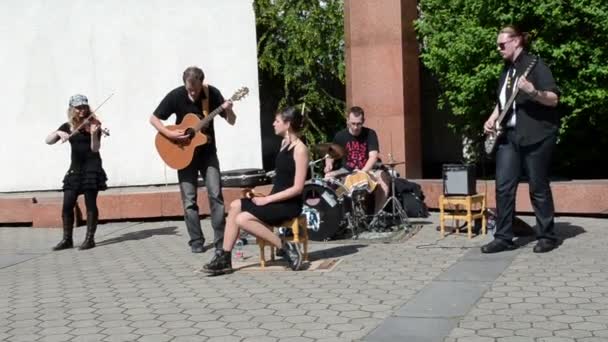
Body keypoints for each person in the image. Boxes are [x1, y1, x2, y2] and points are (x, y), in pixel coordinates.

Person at [481, 25, 560, 254]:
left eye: (502, 44)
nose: (498, 48)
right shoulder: (506, 71)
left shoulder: (536, 65)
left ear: (516, 42)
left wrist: (533, 91)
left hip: (537, 136)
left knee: (538, 186)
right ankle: (504, 237)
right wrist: (492, 119)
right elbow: (503, 103)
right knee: (504, 186)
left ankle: (547, 236)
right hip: (509, 136)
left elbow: (553, 99)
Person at [202, 106, 308, 275]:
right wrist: (266, 198)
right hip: (275, 199)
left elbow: (297, 188)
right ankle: (224, 258)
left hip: (288, 205)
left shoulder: (300, 149)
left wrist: (267, 200)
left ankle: (285, 246)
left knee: (242, 219)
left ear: (287, 124)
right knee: (235, 205)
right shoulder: (284, 143)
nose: (273, 124)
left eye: (277, 121)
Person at [150, 66, 236, 254]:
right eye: (189, 89)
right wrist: (170, 135)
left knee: (216, 195)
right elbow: (154, 119)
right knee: (189, 200)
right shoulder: (176, 95)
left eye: (195, 88)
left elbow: (231, 121)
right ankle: (196, 240)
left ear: (201, 82)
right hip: (183, 154)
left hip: (207, 153)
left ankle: (221, 241)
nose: (192, 92)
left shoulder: (212, 94)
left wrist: (229, 110)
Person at [46, 94, 108, 251]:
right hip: (75, 168)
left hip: (91, 167)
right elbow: (48, 140)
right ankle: (67, 239)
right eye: (78, 107)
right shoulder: (67, 126)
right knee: (67, 204)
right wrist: (58, 133)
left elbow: (95, 149)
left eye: (84, 107)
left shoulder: (94, 124)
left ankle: (90, 239)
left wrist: (94, 134)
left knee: (90, 204)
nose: (82, 110)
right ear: (72, 109)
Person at [324, 106, 390, 214]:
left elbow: (373, 156)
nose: (355, 127)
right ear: (347, 121)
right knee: (328, 178)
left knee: (383, 177)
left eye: (359, 124)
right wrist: (328, 165)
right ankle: (338, 213)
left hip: (367, 170)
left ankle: (377, 215)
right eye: (353, 123)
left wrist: (362, 172)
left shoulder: (370, 134)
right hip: (347, 170)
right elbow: (330, 155)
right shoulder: (340, 136)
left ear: (363, 121)